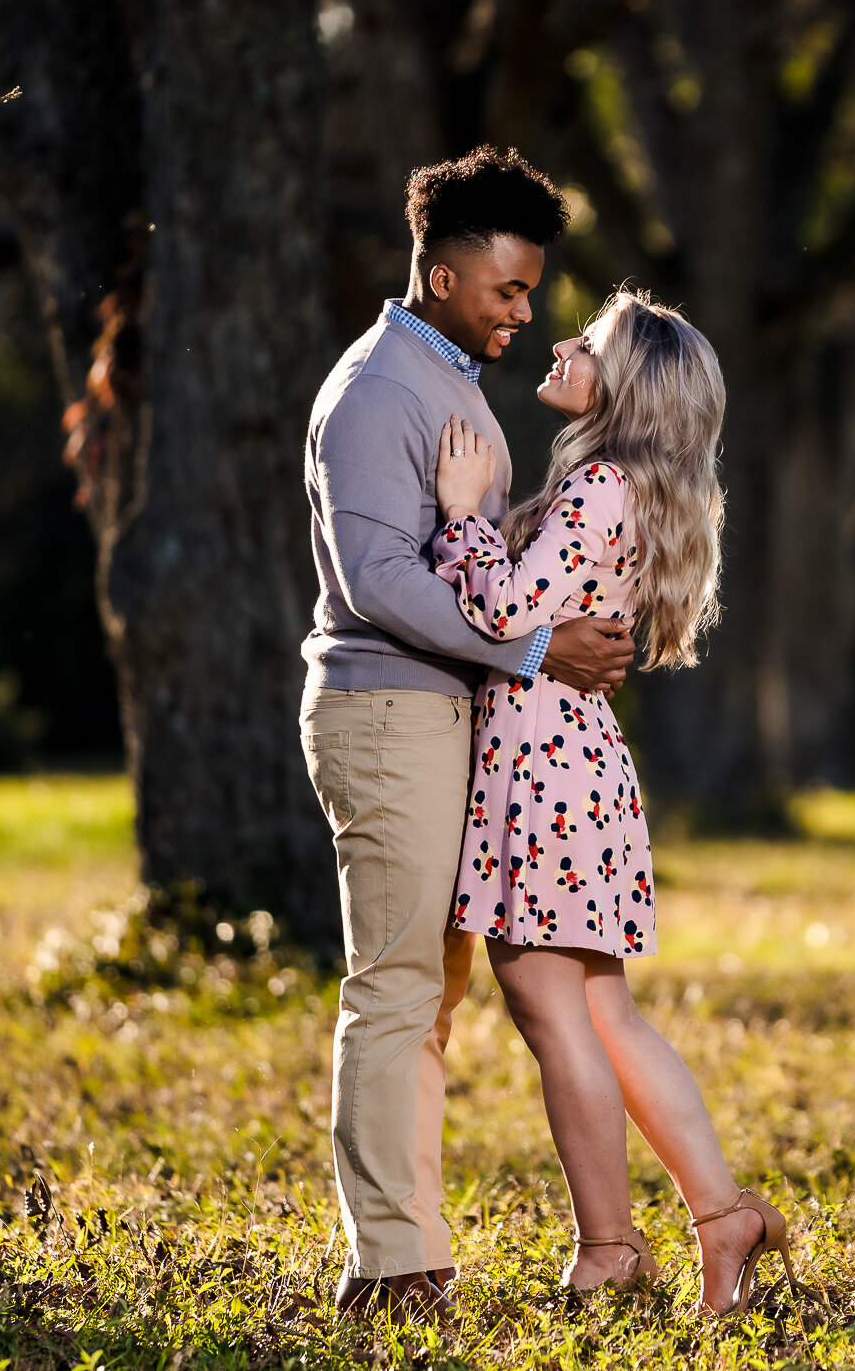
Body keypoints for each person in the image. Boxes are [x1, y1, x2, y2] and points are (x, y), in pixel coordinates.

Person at [298, 146, 635, 1320]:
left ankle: (408, 1251)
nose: (523, 312)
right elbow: (379, 578)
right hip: (385, 711)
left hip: (440, 712)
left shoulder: (447, 379)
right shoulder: (383, 389)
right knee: (394, 989)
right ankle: (391, 1268)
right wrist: (536, 650)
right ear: (443, 276)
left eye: (531, 291)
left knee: (426, 994)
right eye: (507, 290)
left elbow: (469, 557)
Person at [429, 287, 796, 1315]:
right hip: (573, 764)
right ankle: (724, 1219)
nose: (559, 343)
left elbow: (500, 609)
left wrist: (461, 512)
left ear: (624, 386)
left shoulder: (599, 489)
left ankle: (608, 1250)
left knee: (555, 1015)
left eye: (584, 344)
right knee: (601, 1010)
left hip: (544, 765)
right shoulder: (628, 489)